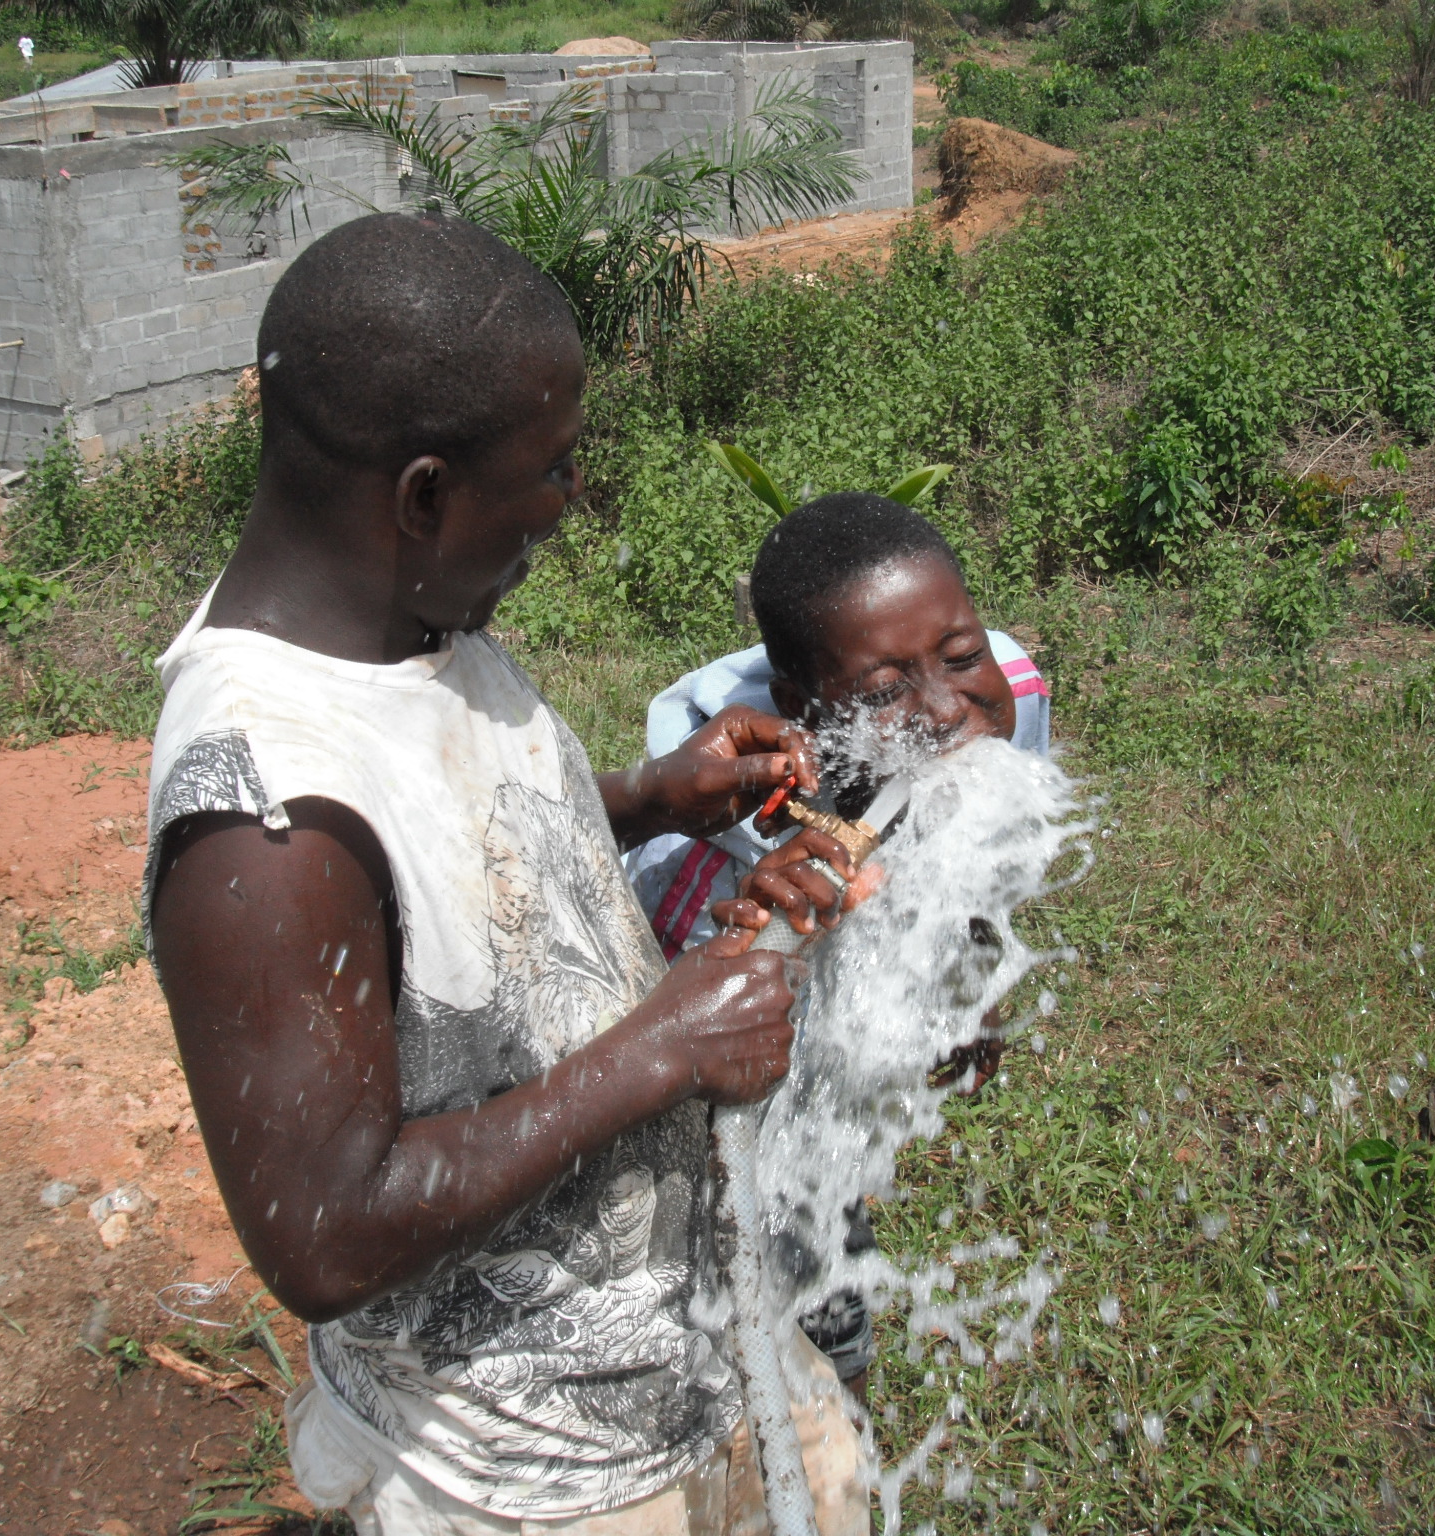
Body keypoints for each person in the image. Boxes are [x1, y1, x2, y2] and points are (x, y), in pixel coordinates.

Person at [143, 213, 866, 1536]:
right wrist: (662, 1051)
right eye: (554, 467)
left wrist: (645, 801)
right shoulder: (258, 818)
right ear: (422, 496)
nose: (571, 499)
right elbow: (324, 1232)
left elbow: (432, 856)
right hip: (528, 1483)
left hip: (689, 1355)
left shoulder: (402, 627)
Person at [622, 492, 1051, 1400]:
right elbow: (710, 987)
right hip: (690, 961)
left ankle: (834, 1369)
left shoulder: (1007, 698)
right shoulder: (733, 794)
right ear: (800, 704)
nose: (944, 707)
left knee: (823, 1177)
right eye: (885, 692)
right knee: (741, 1155)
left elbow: (981, 869)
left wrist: (967, 992)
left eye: (961, 655)